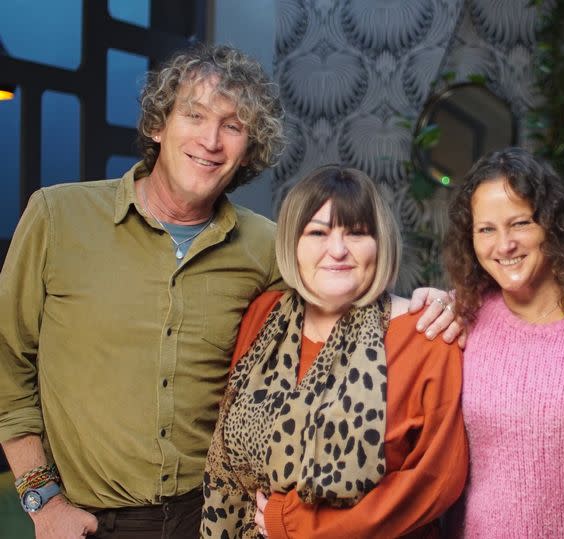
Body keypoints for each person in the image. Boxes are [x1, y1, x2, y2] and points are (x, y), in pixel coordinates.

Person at [0, 44, 457, 539]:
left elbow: (338, 297)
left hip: (214, 516)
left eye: (233, 126)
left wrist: (426, 304)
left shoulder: (268, 247)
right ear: (158, 125)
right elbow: (8, 362)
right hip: (89, 519)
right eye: (194, 115)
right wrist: (41, 499)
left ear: (247, 149)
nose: (211, 140)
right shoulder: (57, 217)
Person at [201, 165, 468, 538]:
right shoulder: (263, 315)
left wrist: (300, 526)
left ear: (381, 243)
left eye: (356, 233)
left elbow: (436, 480)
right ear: (293, 244)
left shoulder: (426, 334)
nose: (338, 250)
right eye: (318, 232)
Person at [443, 147, 564, 537]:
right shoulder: (461, 318)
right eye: (486, 229)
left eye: (520, 223)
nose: (504, 244)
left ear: (552, 224)